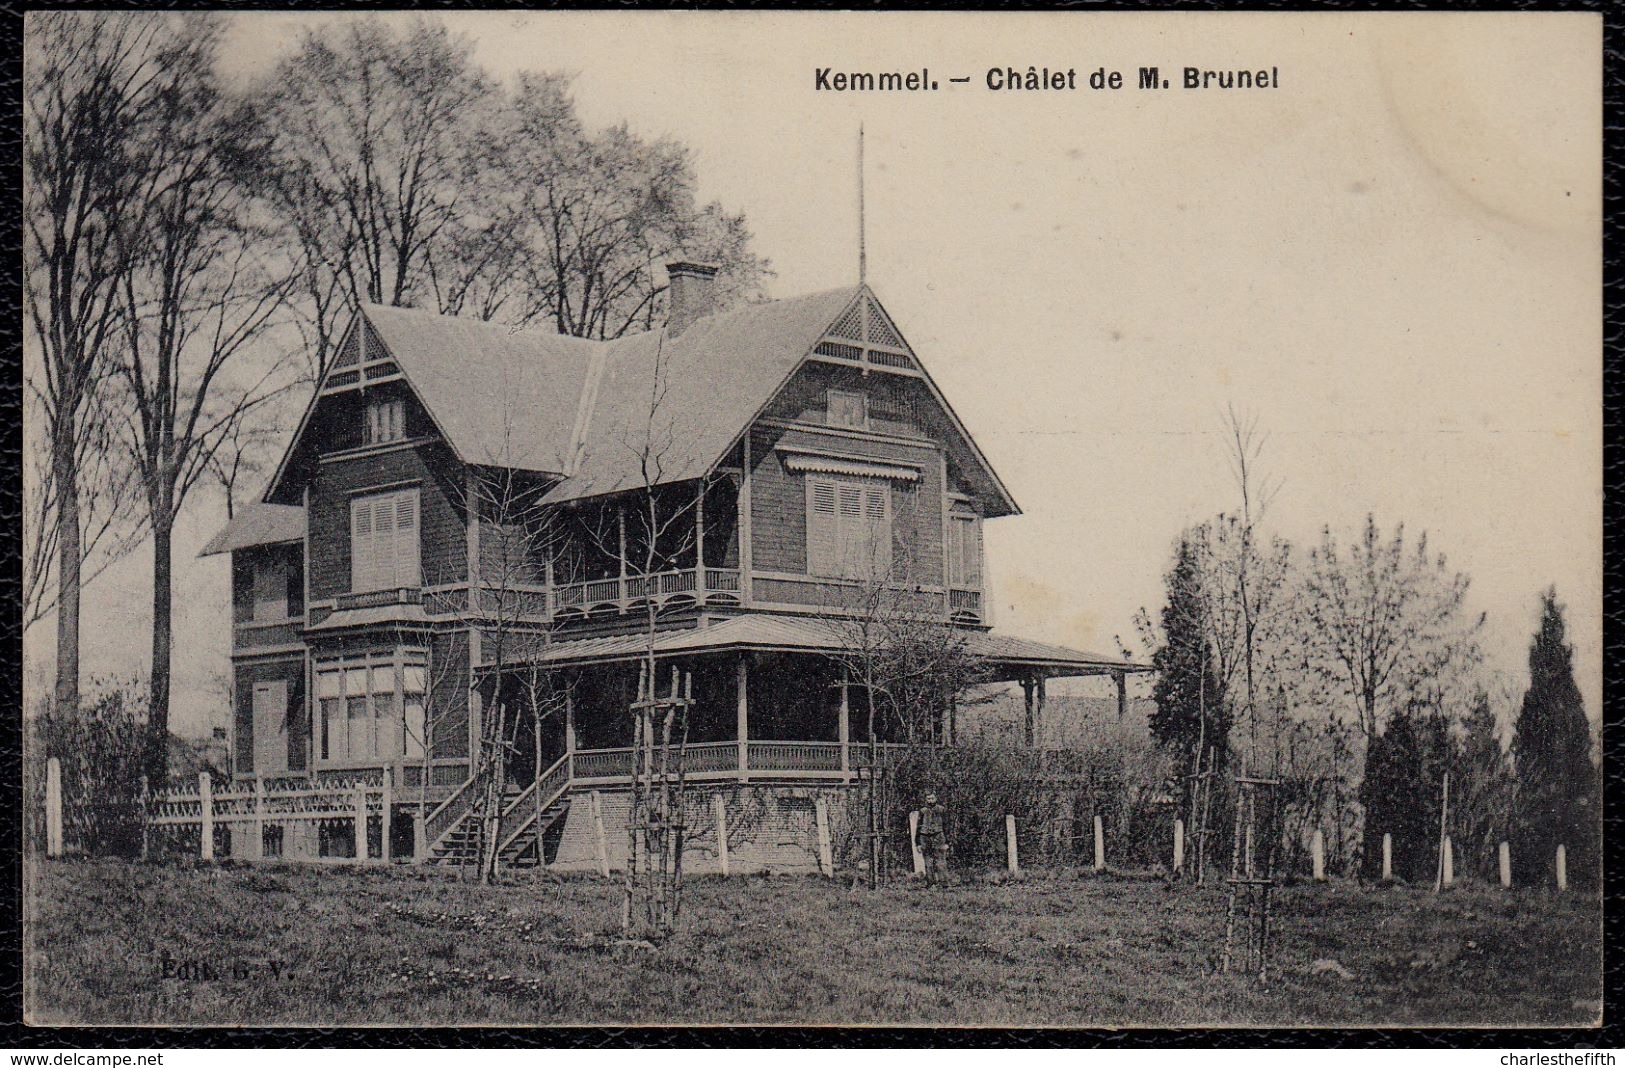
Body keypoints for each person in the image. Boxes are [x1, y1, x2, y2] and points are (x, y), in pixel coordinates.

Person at [916, 791, 949, 882]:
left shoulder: (941, 809)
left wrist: (947, 842)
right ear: (925, 800)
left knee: (940, 860)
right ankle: (930, 882)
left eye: (932, 798)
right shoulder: (922, 811)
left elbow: (946, 826)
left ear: (936, 799)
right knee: (928, 860)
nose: (930, 801)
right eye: (928, 799)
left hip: (938, 837)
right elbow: (918, 827)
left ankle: (943, 882)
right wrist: (918, 843)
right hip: (925, 837)